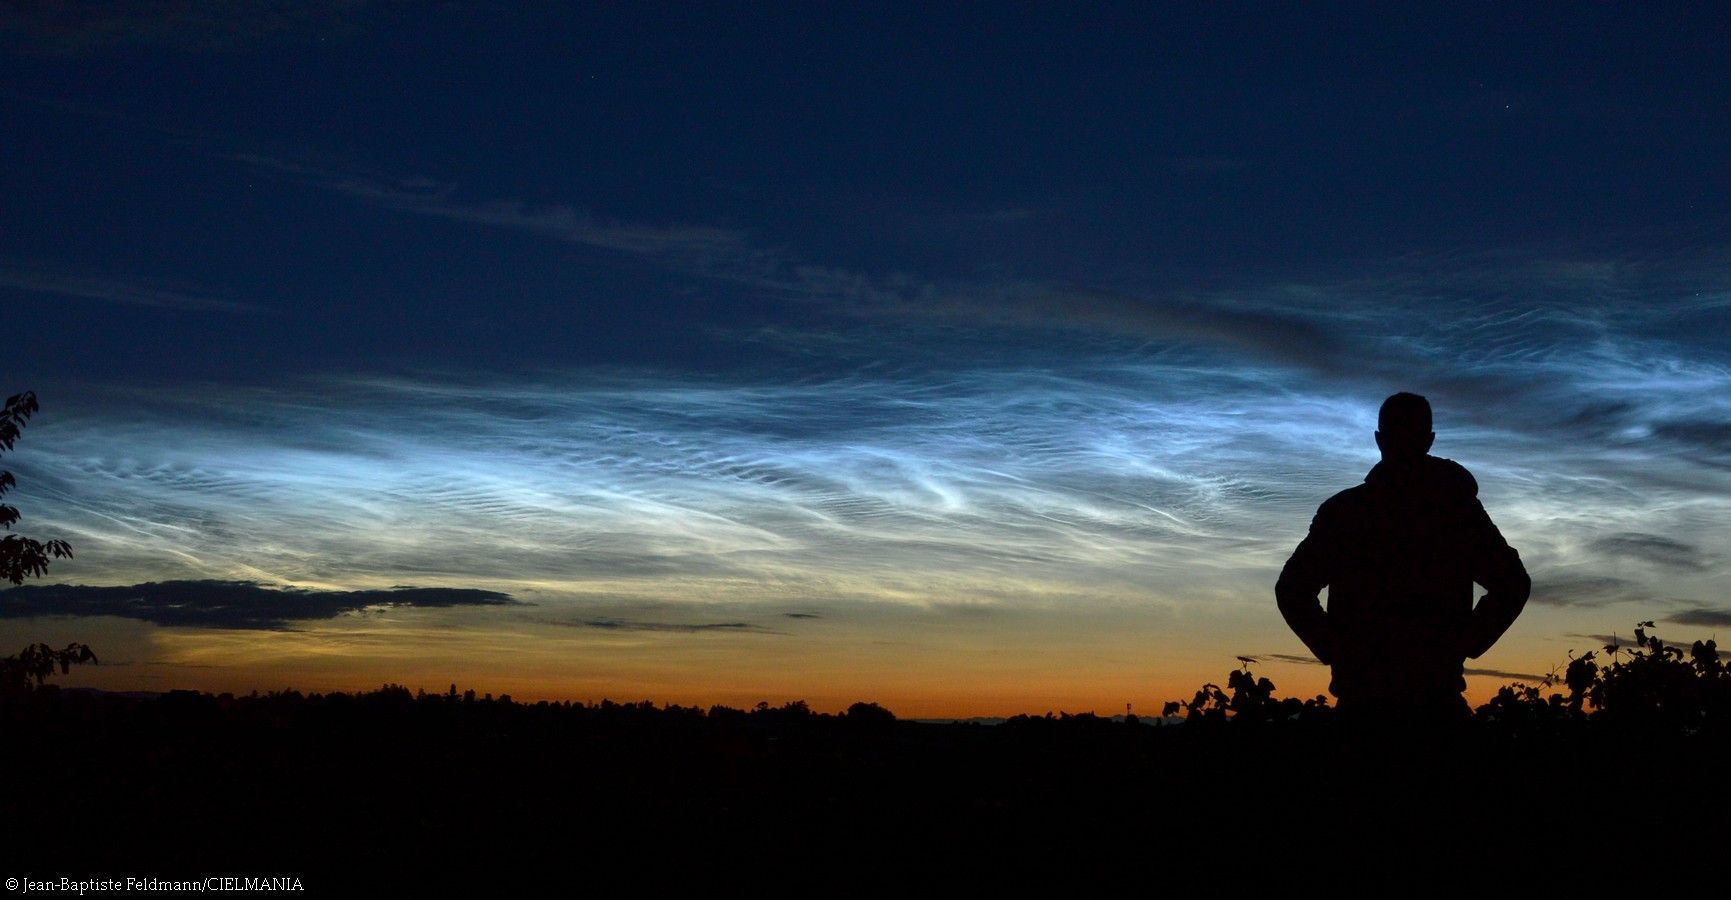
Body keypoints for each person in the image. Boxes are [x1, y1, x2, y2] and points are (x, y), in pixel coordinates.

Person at [1276, 392, 1530, 721]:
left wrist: (1338, 650)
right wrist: (1461, 643)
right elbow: (1512, 583)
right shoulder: (1454, 512)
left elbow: (1292, 589)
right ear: (1430, 440)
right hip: (1429, 701)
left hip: (1369, 702)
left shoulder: (1348, 512)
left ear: (1379, 440)